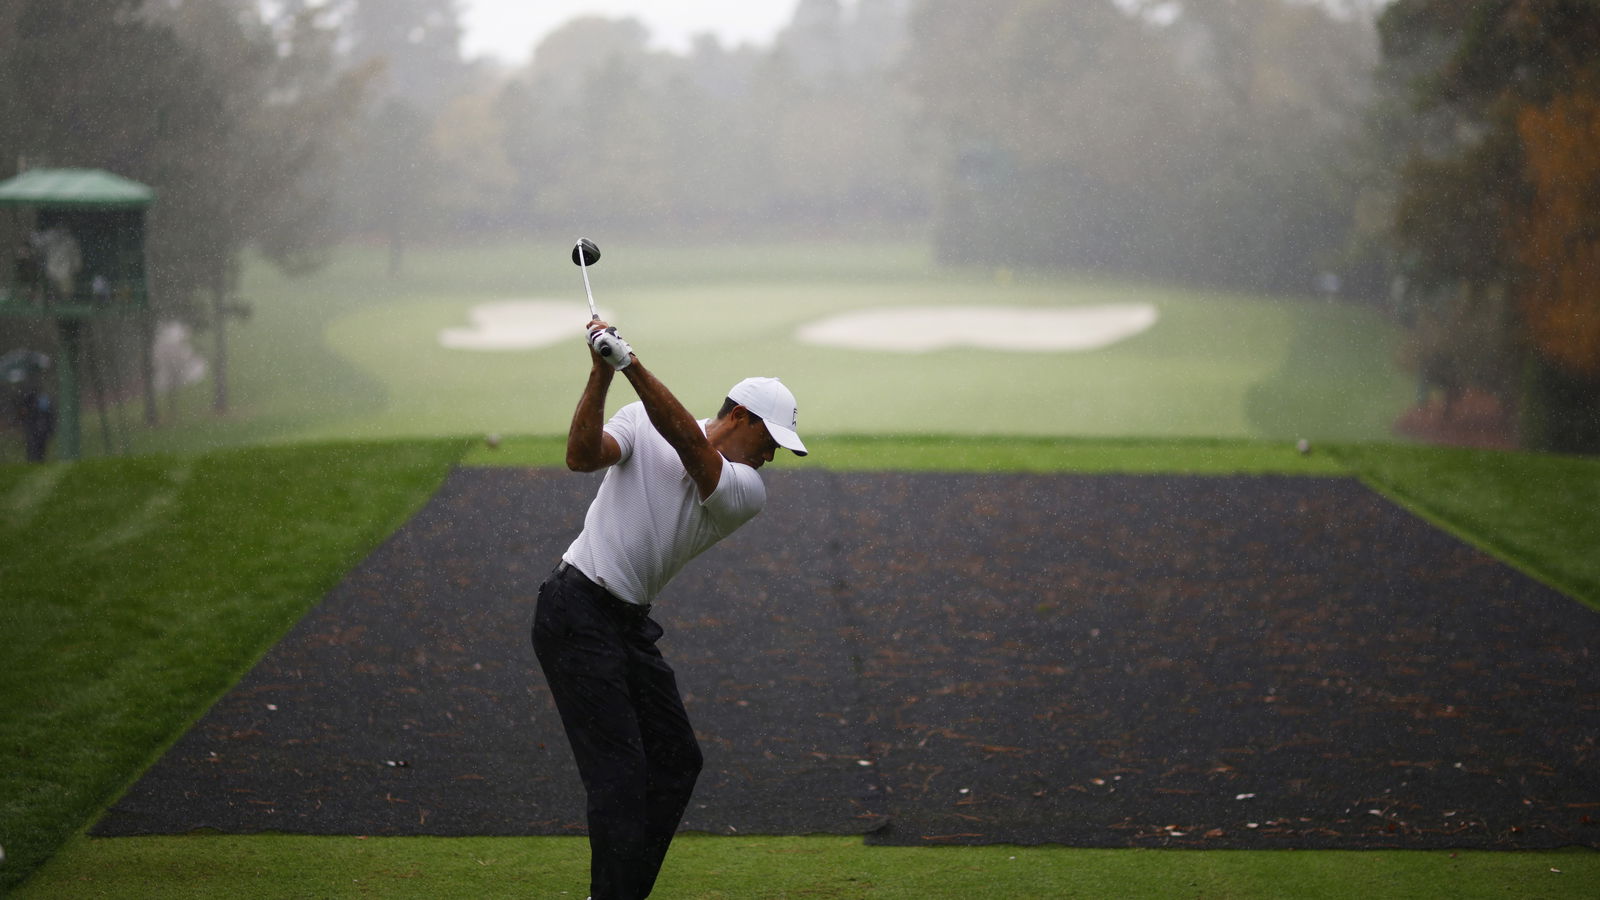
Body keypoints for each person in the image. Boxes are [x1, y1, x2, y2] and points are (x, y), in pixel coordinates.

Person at [532, 318, 807, 900]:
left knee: (677, 761)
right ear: (741, 418)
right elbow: (581, 457)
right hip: (574, 608)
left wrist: (631, 363)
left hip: (625, 622)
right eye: (770, 443)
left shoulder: (744, 490)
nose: (772, 459)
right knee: (620, 773)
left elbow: (689, 445)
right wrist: (601, 373)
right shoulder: (639, 422)